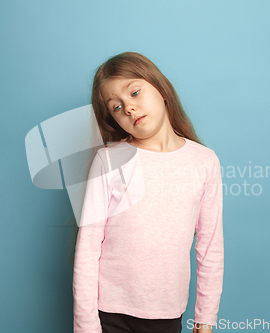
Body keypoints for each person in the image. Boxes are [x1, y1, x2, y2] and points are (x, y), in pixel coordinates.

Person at [73, 51, 224, 333]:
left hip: (167, 313)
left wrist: (205, 319)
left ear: (161, 88)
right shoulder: (109, 160)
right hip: (109, 314)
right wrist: (86, 326)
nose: (129, 107)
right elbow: (88, 247)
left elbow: (210, 246)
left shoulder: (204, 162)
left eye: (135, 92)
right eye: (116, 107)